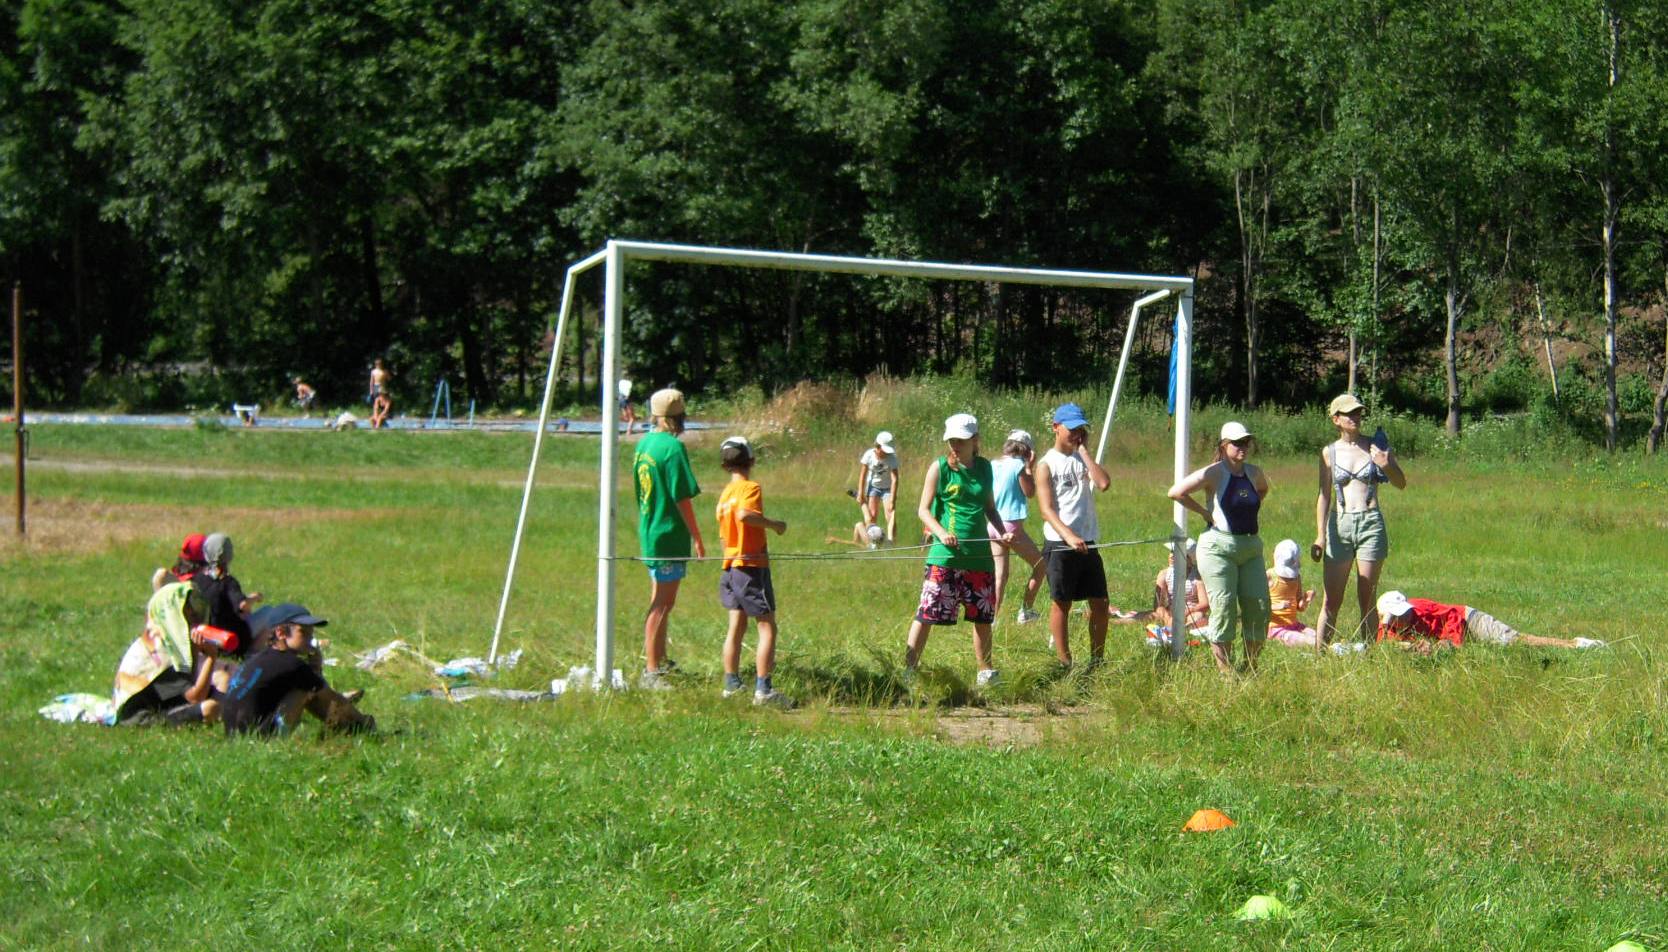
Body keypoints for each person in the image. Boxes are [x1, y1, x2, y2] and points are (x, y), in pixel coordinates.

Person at [903, 413, 1012, 685]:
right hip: (946, 556)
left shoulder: (985, 468)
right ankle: (909, 670)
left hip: (979, 557)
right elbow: (923, 510)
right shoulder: (939, 468)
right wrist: (941, 534)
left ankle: (985, 672)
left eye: (961, 440)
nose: (955, 445)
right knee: (927, 613)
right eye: (951, 440)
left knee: (982, 617)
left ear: (975, 440)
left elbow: (990, 508)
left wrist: (1002, 532)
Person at [1168, 421, 1272, 675]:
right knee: (1224, 607)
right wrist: (1205, 512)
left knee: (1259, 606)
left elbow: (1262, 489)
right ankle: (1226, 673)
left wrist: (1247, 508)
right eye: (1237, 443)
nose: (1242, 447)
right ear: (1224, 445)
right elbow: (1177, 492)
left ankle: (1250, 667)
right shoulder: (1214, 472)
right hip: (1218, 547)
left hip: (1251, 547)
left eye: (1246, 442)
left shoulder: (1254, 472)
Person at [1314, 393, 1406, 647]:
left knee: (1367, 598)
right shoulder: (1329, 452)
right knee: (1331, 600)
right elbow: (1324, 495)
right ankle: (1320, 655)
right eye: (1349, 413)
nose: (1355, 417)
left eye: (1358, 412)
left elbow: (1401, 483)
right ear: (1336, 419)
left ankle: (1369, 654)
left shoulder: (1376, 446)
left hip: (1370, 523)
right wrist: (1320, 536)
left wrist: (1386, 465)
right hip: (1339, 525)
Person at [634, 388, 706, 689]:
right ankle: (651, 671)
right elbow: (682, 497)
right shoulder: (673, 449)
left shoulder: (644, 444)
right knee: (662, 604)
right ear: (679, 417)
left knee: (660, 600)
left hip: (650, 530)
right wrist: (697, 537)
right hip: (668, 535)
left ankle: (660, 660)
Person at [713, 436, 792, 708]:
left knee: (736, 625)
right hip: (750, 567)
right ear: (751, 460)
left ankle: (732, 684)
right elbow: (745, 515)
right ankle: (763, 690)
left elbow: (723, 534)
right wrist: (775, 525)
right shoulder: (750, 488)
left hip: (730, 566)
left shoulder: (725, 494)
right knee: (767, 626)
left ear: (725, 465)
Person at [1035, 403, 1112, 667]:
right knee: (1062, 603)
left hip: (1088, 541)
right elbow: (1046, 510)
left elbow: (1103, 483)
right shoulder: (1046, 464)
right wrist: (1068, 535)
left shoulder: (1082, 458)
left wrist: (1085, 452)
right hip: (1060, 544)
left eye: (1081, 429)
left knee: (1100, 603)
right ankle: (1064, 662)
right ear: (1056, 428)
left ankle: (1097, 660)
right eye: (1071, 429)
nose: (1076, 433)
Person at [223, 604, 374, 735]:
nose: (310, 638)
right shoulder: (291, 663)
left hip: (234, 735)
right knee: (306, 690)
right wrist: (363, 720)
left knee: (307, 685)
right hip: (261, 739)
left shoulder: (260, 659)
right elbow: (328, 696)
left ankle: (349, 728)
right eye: (303, 632)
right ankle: (360, 728)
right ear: (281, 633)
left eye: (311, 633)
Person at [112, 582, 225, 726]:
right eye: (188, 610)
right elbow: (196, 697)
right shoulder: (163, 649)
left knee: (222, 687)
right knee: (211, 708)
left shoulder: (166, 637)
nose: (194, 615)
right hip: (143, 717)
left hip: (162, 702)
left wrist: (195, 650)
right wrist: (211, 657)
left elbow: (188, 680)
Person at [1375, 590, 1606, 653]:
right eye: (1397, 616)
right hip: (1451, 634)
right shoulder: (1386, 628)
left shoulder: (1421, 609)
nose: (1404, 617)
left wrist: (1449, 644)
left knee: (1514, 642)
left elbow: (1452, 616)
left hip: (1467, 620)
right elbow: (1384, 647)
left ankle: (1575, 644)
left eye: (1404, 613)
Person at [987, 429, 1046, 623]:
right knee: (1041, 566)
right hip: (1010, 526)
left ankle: (992, 619)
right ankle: (1026, 611)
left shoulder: (994, 464)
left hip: (992, 525)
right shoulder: (1019, 465)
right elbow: (1030, 492)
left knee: (1000, 575)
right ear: (1027, 450)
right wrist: (1030, 467)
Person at [192, 533, 261, 660]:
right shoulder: (228, 582)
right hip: (231, 641)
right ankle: (252, 656)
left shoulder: (197, 579)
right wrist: (255, 598)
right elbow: (243, 606)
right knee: (269, 614)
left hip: (205, 637)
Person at [1147, 538, 1209, 636]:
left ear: (1189, 560)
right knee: (1151, 616)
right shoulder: (1164, 574)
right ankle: (1174, 628)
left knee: (1198, 617)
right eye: (1171, 552)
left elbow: (1205, 604)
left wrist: (1187, 612)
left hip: (1192, 612)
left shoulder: (1197, 576)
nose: (1172, 556)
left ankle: (1184, 629)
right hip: (1171, 612)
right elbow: (1158, 605)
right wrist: (1167, 617)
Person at [1265, 539, 1318, 648]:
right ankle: (1331, 649)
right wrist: (1277, 606)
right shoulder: (1270, 576)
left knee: (1320, 636)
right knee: (1311, 642)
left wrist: (1306, 599)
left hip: (1294, 624)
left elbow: (1300, 606)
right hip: (1275, 628)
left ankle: (1342, 648)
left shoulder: (1296, 577)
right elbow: (1258, 606)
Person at [852, 430, 900, 545]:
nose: (886, 453)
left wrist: (892, 499)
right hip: (873, 488)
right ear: (878, 447)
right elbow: (863, 475)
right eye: (884, 451)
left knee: (890, 515)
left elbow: (895, 479)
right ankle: (872, 541)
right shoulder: (869, 455)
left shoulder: (892, 458)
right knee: (872, 515)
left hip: (887, 489)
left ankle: (892, 542)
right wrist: (861, 493)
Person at [369, 359, 393, 429]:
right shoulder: (373, 371)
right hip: (376, 386)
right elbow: (371, 381)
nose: (378, 365)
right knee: (376, 404)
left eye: (379, 364)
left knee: (380, 416)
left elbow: (389, 379)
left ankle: (376, 428)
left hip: (382, 385)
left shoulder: (384, 371)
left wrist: (386, 375)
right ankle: (374, 427)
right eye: (377, 364)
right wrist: (371, 390)